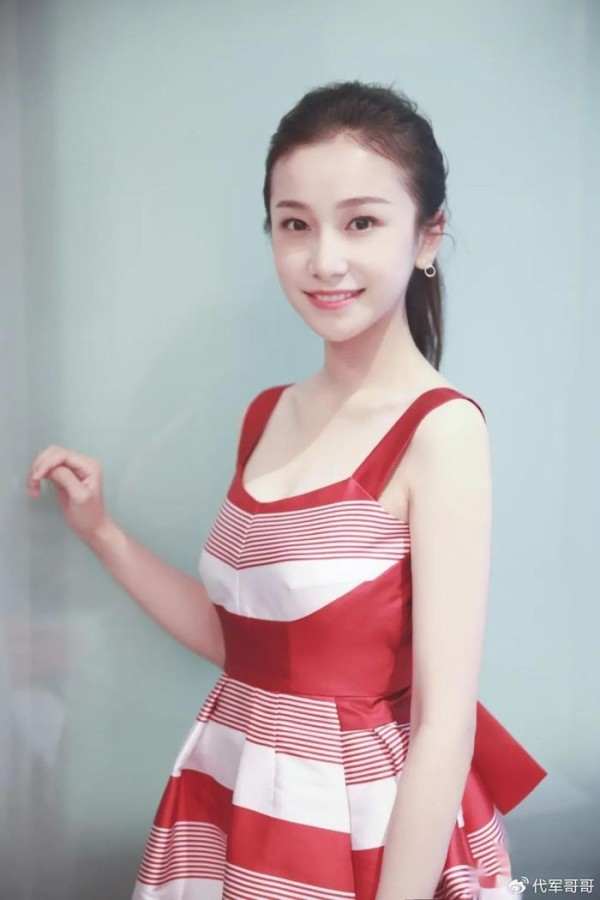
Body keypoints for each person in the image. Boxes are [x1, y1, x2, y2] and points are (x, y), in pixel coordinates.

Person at [27, 80, 547, 900]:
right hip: (237, 790)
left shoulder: (440, 431)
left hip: (357, 822)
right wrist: (103, 533)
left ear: (428, 236)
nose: (323, 260)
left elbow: (443, 726)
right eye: (295, 224)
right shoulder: (268, 413)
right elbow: (247, 645)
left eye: (361, 222)